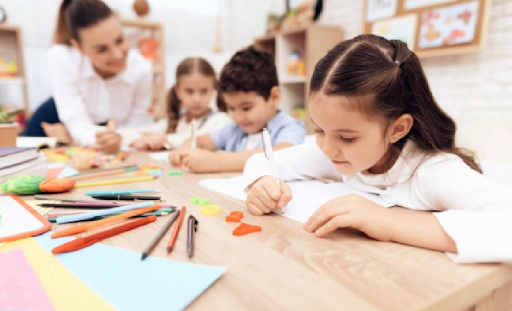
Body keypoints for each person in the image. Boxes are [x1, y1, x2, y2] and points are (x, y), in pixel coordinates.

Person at [242, 34, 511, 263]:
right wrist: (262, 182)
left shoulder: (431, 171)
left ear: (397, 129)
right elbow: (263, 160)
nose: (326, 148)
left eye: (347, 138)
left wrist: (389, 223)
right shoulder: (334, 152)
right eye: (320, 129)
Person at [24, 0, 152, 153]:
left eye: (120, 40)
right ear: (79, 48)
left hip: (95, 133)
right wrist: (107, 137)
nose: (117, 55)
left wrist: (117, 137)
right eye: (101, 49)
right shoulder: (62, 56)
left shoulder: (142, 69)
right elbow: (77, 122)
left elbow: (134, 125)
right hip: (54, 123)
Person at [168, 46, 306, 173]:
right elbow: (201, 141)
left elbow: (281, 154)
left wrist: (216, 162)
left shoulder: (289, 128)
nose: (238, 117)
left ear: (274, 97)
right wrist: (184, 149)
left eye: (246, 108)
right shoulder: (235, 130)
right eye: (231, 108)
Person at [128, 57, 231, 150]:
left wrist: (161, 139)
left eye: (204, 91)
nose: (197, 99)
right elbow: (127, 133)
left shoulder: (221, 120)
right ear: (178, 91)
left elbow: (199, 140)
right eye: (189, 91)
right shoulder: (175, 122)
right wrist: (137, 140)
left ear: (213, 90)